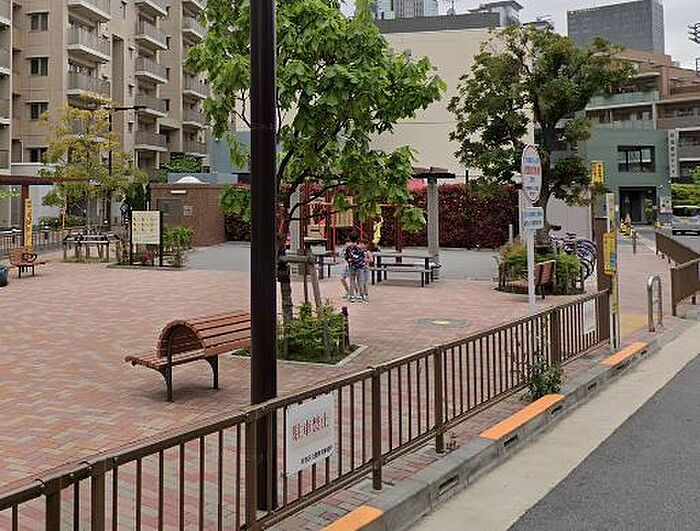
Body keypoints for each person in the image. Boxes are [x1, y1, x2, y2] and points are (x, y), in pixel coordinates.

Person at [344, 231, 368, 303]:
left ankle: (352, 296)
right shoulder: (360, 248)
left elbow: (346, 256)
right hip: (360, 266)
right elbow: (362, 257)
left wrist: (349, 261)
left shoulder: (348, 248)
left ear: (350, 238)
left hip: (352, 266)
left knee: (352, 280)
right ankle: (361, 296)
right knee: (360, 281)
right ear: (358, 239)